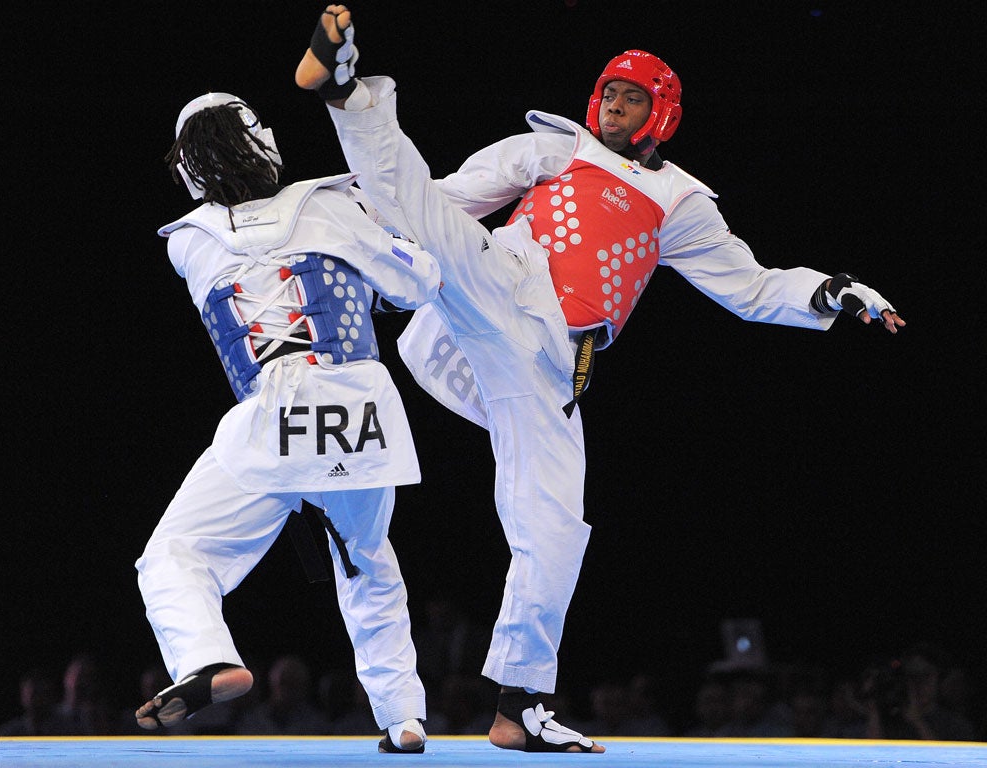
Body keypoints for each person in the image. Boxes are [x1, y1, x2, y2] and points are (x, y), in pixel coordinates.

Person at [295, 3, 905, 754]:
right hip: (499, 285)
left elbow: (748, 288)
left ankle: (519, 707)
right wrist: (376, 241)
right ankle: (348, 90)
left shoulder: (681, 201)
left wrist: (829, 291)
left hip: (549, 363)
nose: (615, 107)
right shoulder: (555, 146)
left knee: (555, 528)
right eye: (609, 94)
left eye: (633, 99)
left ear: (663, 116)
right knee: (423, 209)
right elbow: (446, 199)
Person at [133, 89, 441, 753]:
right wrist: (386, 239)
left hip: (272, 418)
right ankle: (403, 717)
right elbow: (418, 284)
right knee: (364, 562)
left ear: (189, 172)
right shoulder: (329, 203)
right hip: (359, 411)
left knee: (174, 556)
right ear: (265, 144)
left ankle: (208, 658)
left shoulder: (188, 243)